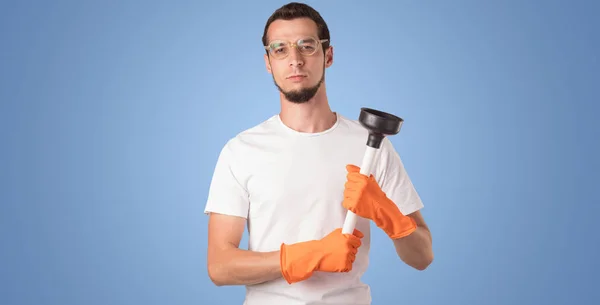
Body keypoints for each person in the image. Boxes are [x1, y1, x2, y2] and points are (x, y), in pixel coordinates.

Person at [204, 2, 433, 304]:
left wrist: (386, 212)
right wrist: (309, 255)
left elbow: (422, 256)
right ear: (268, 62)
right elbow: (220, 267)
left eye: (307, 46)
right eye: (280, 49)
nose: (295, 60)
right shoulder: (241, 150)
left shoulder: (371, 146)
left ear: (328, 55)